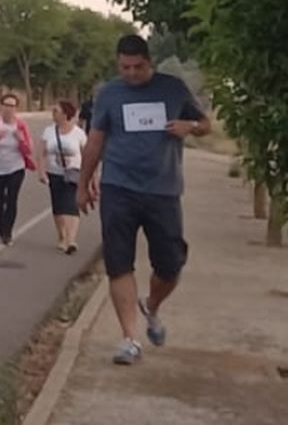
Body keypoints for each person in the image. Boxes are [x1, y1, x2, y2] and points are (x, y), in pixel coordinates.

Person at [78, 35, 209, 366]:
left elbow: (206, 124)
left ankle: (151, 305)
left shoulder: (174, 89)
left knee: (171, 263)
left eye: (138, 67)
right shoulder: (109, 93)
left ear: (149, 61)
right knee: (118, 263)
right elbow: (95, 141)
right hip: (118, 187)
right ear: (118, 63)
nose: (132, 74)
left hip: (163, 190)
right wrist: (82, 184)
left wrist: (190, 126)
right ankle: (129, 339)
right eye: (125, 67)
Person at [36, 99, 86, 254]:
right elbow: (41, 153)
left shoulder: (78, 133)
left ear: (65, 114)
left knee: (71, 205)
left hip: (74, 173)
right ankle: (61, 235)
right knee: (58, 206)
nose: (53, 114)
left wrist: (89, 175)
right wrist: (41, 171)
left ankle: (71, 240)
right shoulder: (49, 131)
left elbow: (87, 154)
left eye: (56, 111)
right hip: (55, 173)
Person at [0, 93, 35, 245]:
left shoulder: (20, 125)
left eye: (12, 106)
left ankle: (7, 232)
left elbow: (29, 150)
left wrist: (21, 140)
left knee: (12, 199)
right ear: (1, 107)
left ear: (16, 108)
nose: (9, 109)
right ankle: (1, 226)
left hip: (16, 167)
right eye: (6, 105)